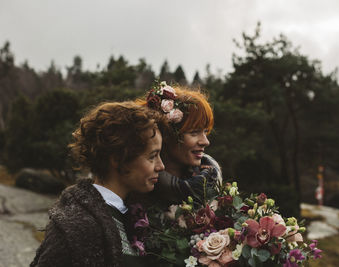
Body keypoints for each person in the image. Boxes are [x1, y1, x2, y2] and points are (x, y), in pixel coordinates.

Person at [30, 101, 166, 267]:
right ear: (118, 159)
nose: (161, 166)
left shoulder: (135, 214)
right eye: (152, 156)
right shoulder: (76, 226)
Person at [135, 81, 222, 206]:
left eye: (205, 131)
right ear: (167, 134)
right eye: (194, 132)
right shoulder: (139, 190)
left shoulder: (212, 180)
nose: (205, 142)